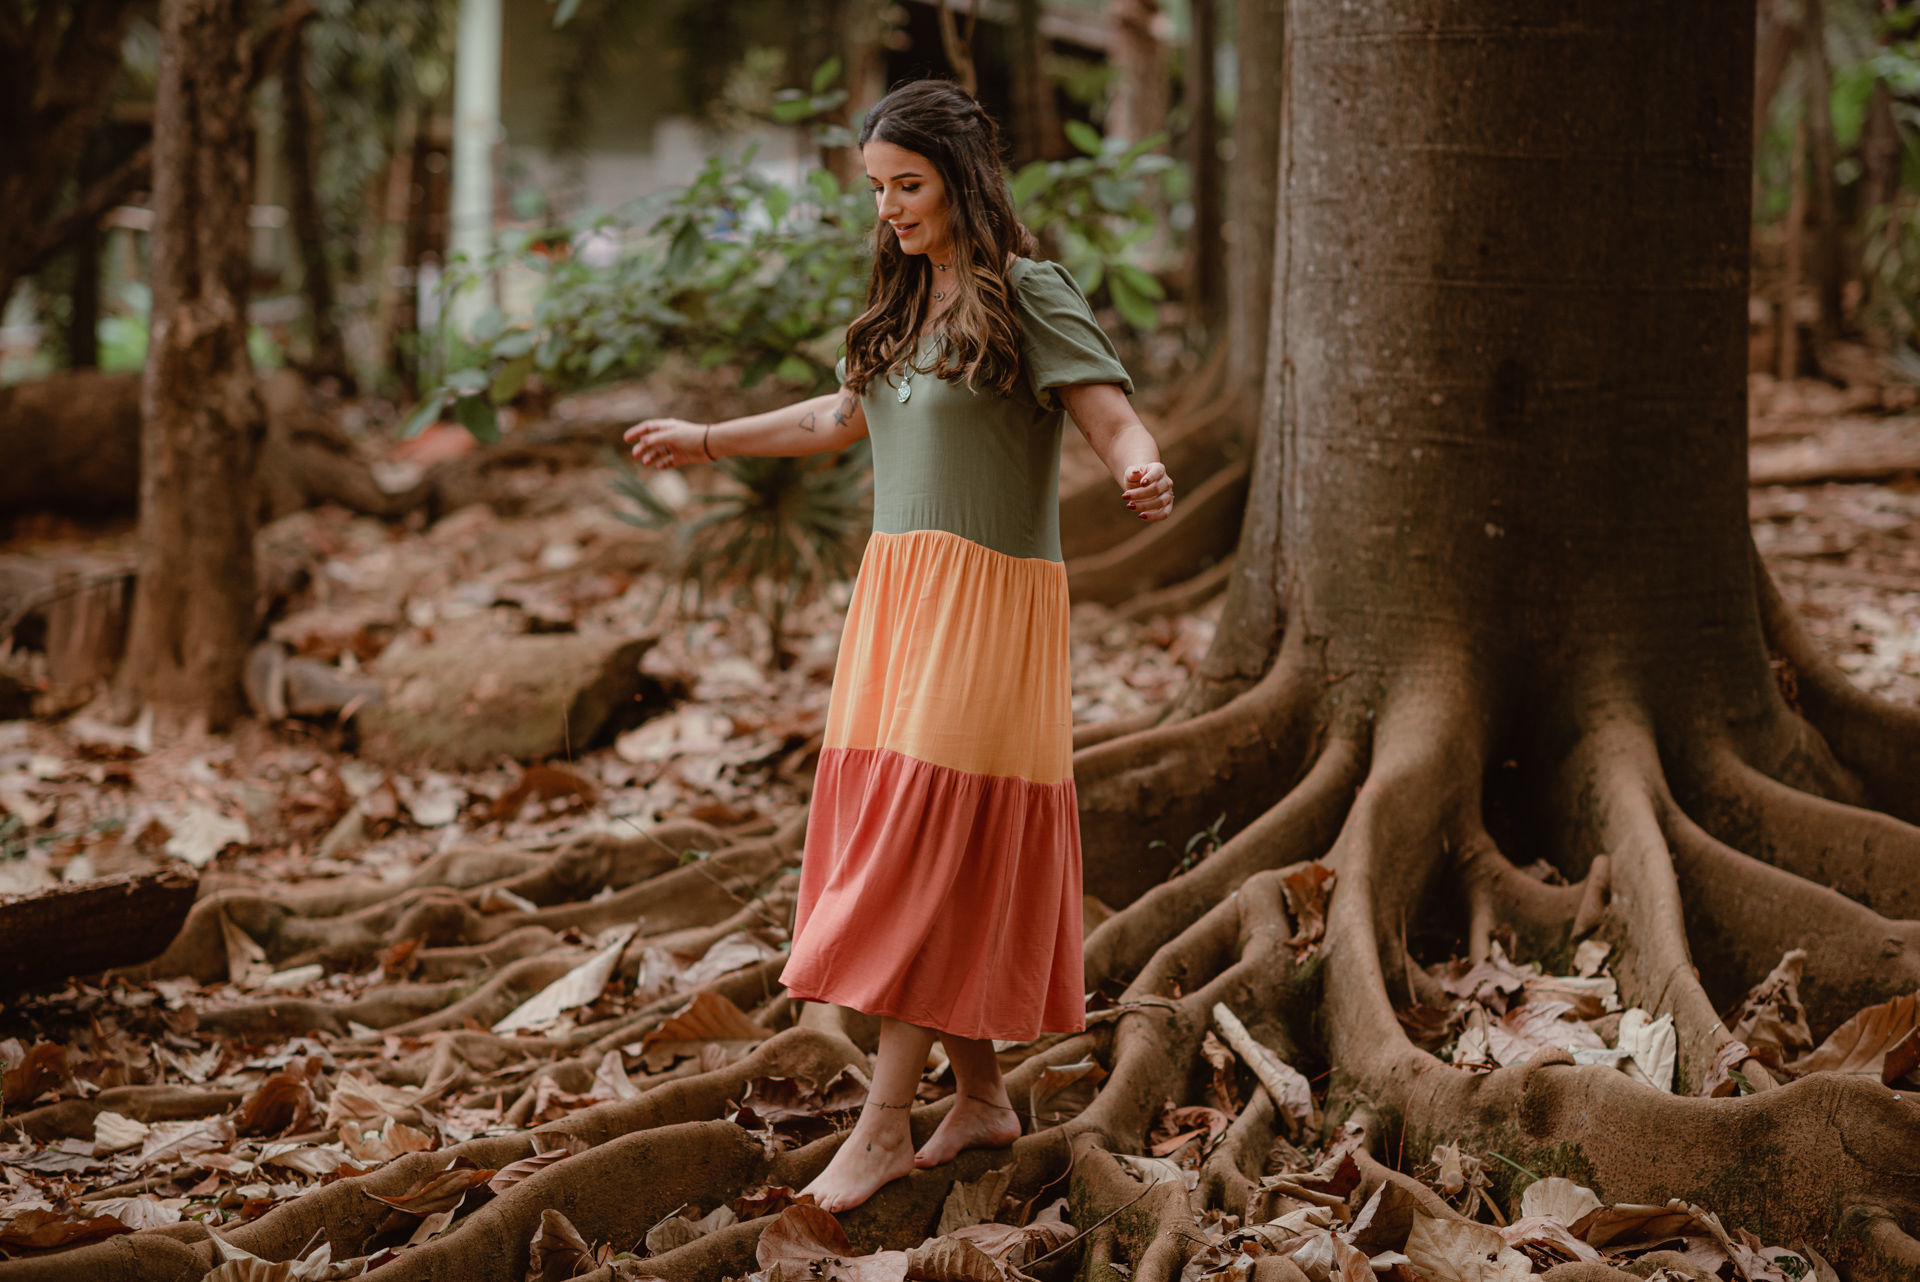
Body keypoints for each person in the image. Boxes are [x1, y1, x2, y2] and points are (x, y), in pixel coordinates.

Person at [625, 79, 1174, 1212]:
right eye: (878, 190)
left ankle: (881, 1126)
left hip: (991, 609)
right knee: (928, 840)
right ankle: (978, 1098)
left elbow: (1109, 410)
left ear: (963, 179)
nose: (890, 210)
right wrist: (709, 439)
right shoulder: (903, 302)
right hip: (898, 605)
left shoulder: (1030, 291)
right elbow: (838, 421)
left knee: (916, 851)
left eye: (908, 186)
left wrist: (1137, 464)